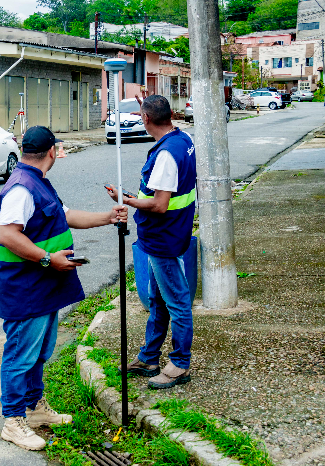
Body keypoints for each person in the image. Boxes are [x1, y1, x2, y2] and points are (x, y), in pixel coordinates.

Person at [0, 126, 128, 451]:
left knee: (40, 353)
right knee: (20, 356)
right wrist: (46, 260)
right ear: (52, 151)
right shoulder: (21, 189)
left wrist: (108, 217)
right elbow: (8, 236)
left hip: (43, 287)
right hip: (26, 288)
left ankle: (35, 409)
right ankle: (13, 422)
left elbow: (65, 216)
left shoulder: (37, 182)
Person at [107, 95, 196, 390]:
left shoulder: (167, 155)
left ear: (145, 120)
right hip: (168, 233)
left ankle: (180, 364)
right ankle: (148, 357)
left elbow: (159, 205)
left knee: (177, 301)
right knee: (158, 300)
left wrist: (127, 200)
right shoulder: (182, 139)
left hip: (163, 238)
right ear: (170, 114)